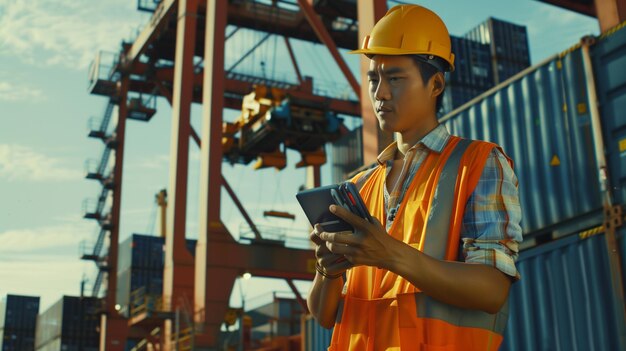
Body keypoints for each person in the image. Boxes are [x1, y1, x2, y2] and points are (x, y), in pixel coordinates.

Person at [307, 4, 523, 351]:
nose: (380, 94)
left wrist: (390, 254)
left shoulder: (479, 163)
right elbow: (323, 315)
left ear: (435, 84)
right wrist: (327, 271)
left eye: (395, 78)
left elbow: (493, 289)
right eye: (373, 79)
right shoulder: (360, 187)